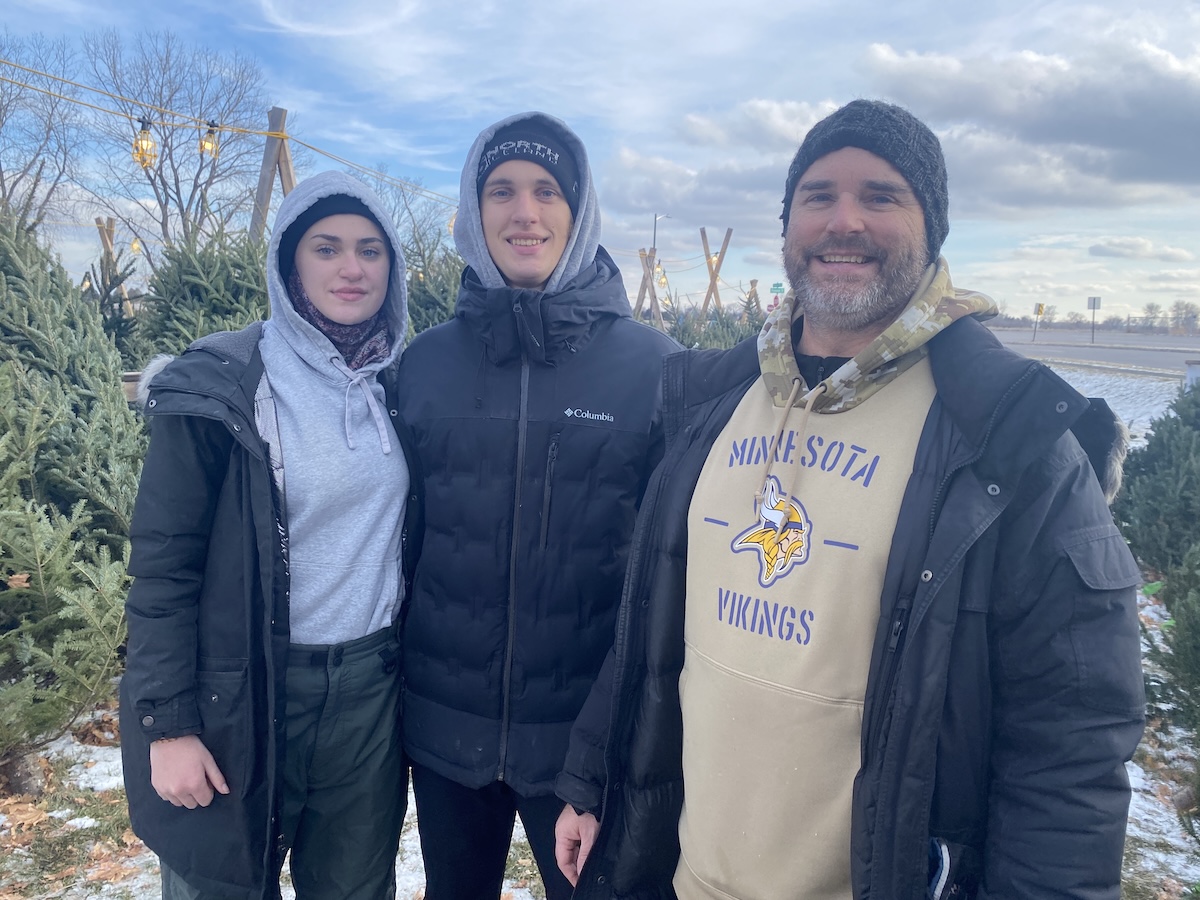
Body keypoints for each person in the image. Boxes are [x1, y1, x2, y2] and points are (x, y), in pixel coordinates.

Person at [553, 99, 1146, 899]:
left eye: (881, 196)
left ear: (932, 229)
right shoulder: (710, 404)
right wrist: (592, 780)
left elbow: (1069, 747)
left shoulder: (1008, 441)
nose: (844, 221)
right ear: (788, 224)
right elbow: (650, 628)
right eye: (819, 195)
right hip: (688, 878)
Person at [395, 111, 680, 900]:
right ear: (473, 209)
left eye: (548, 190)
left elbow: (668, 573)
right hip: (447, 735)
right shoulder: (424, 365)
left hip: (585, 746)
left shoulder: (654, 369)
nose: (525, 212)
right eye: (502, 191)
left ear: (579, 210)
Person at [120, 170, 418, 899]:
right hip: (242, 688)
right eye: (327, 248)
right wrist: (167, 726)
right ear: (290, 264)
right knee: (222, 885)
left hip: (367, 694)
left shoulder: (395, 386)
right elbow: (164, 569)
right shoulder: (221, 385)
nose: (352, 268)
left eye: (371, 250)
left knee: (353, 888)